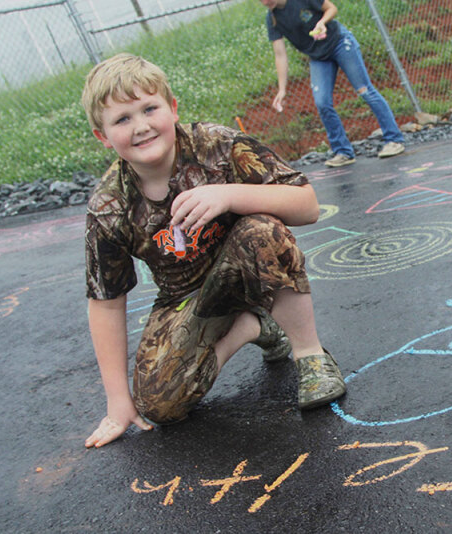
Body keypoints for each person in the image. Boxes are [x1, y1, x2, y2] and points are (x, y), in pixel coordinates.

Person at [80, 53, 346, 448]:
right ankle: (255, 327)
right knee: (159, 405)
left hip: (248, 265)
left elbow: (306, 205)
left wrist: (228, 194)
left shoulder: (216, 145)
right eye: (122, 119)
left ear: (172, 109)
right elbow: (105, 300)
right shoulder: (109, 205)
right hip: (186, 297)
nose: (141, 126)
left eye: (149, 109)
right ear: (103, 136)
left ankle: (309, 356)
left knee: (262, 229)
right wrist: (118, 401)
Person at [262, 0, 405, 167]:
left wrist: (322, 22)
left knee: (365, 90)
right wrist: (282, 89)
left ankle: (394, 139)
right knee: (322, 102)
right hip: (318, 57)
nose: (265, 2)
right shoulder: (272, 19)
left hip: (339, 43)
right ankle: (343, 151)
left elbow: (331, 8)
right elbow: (280, 55)